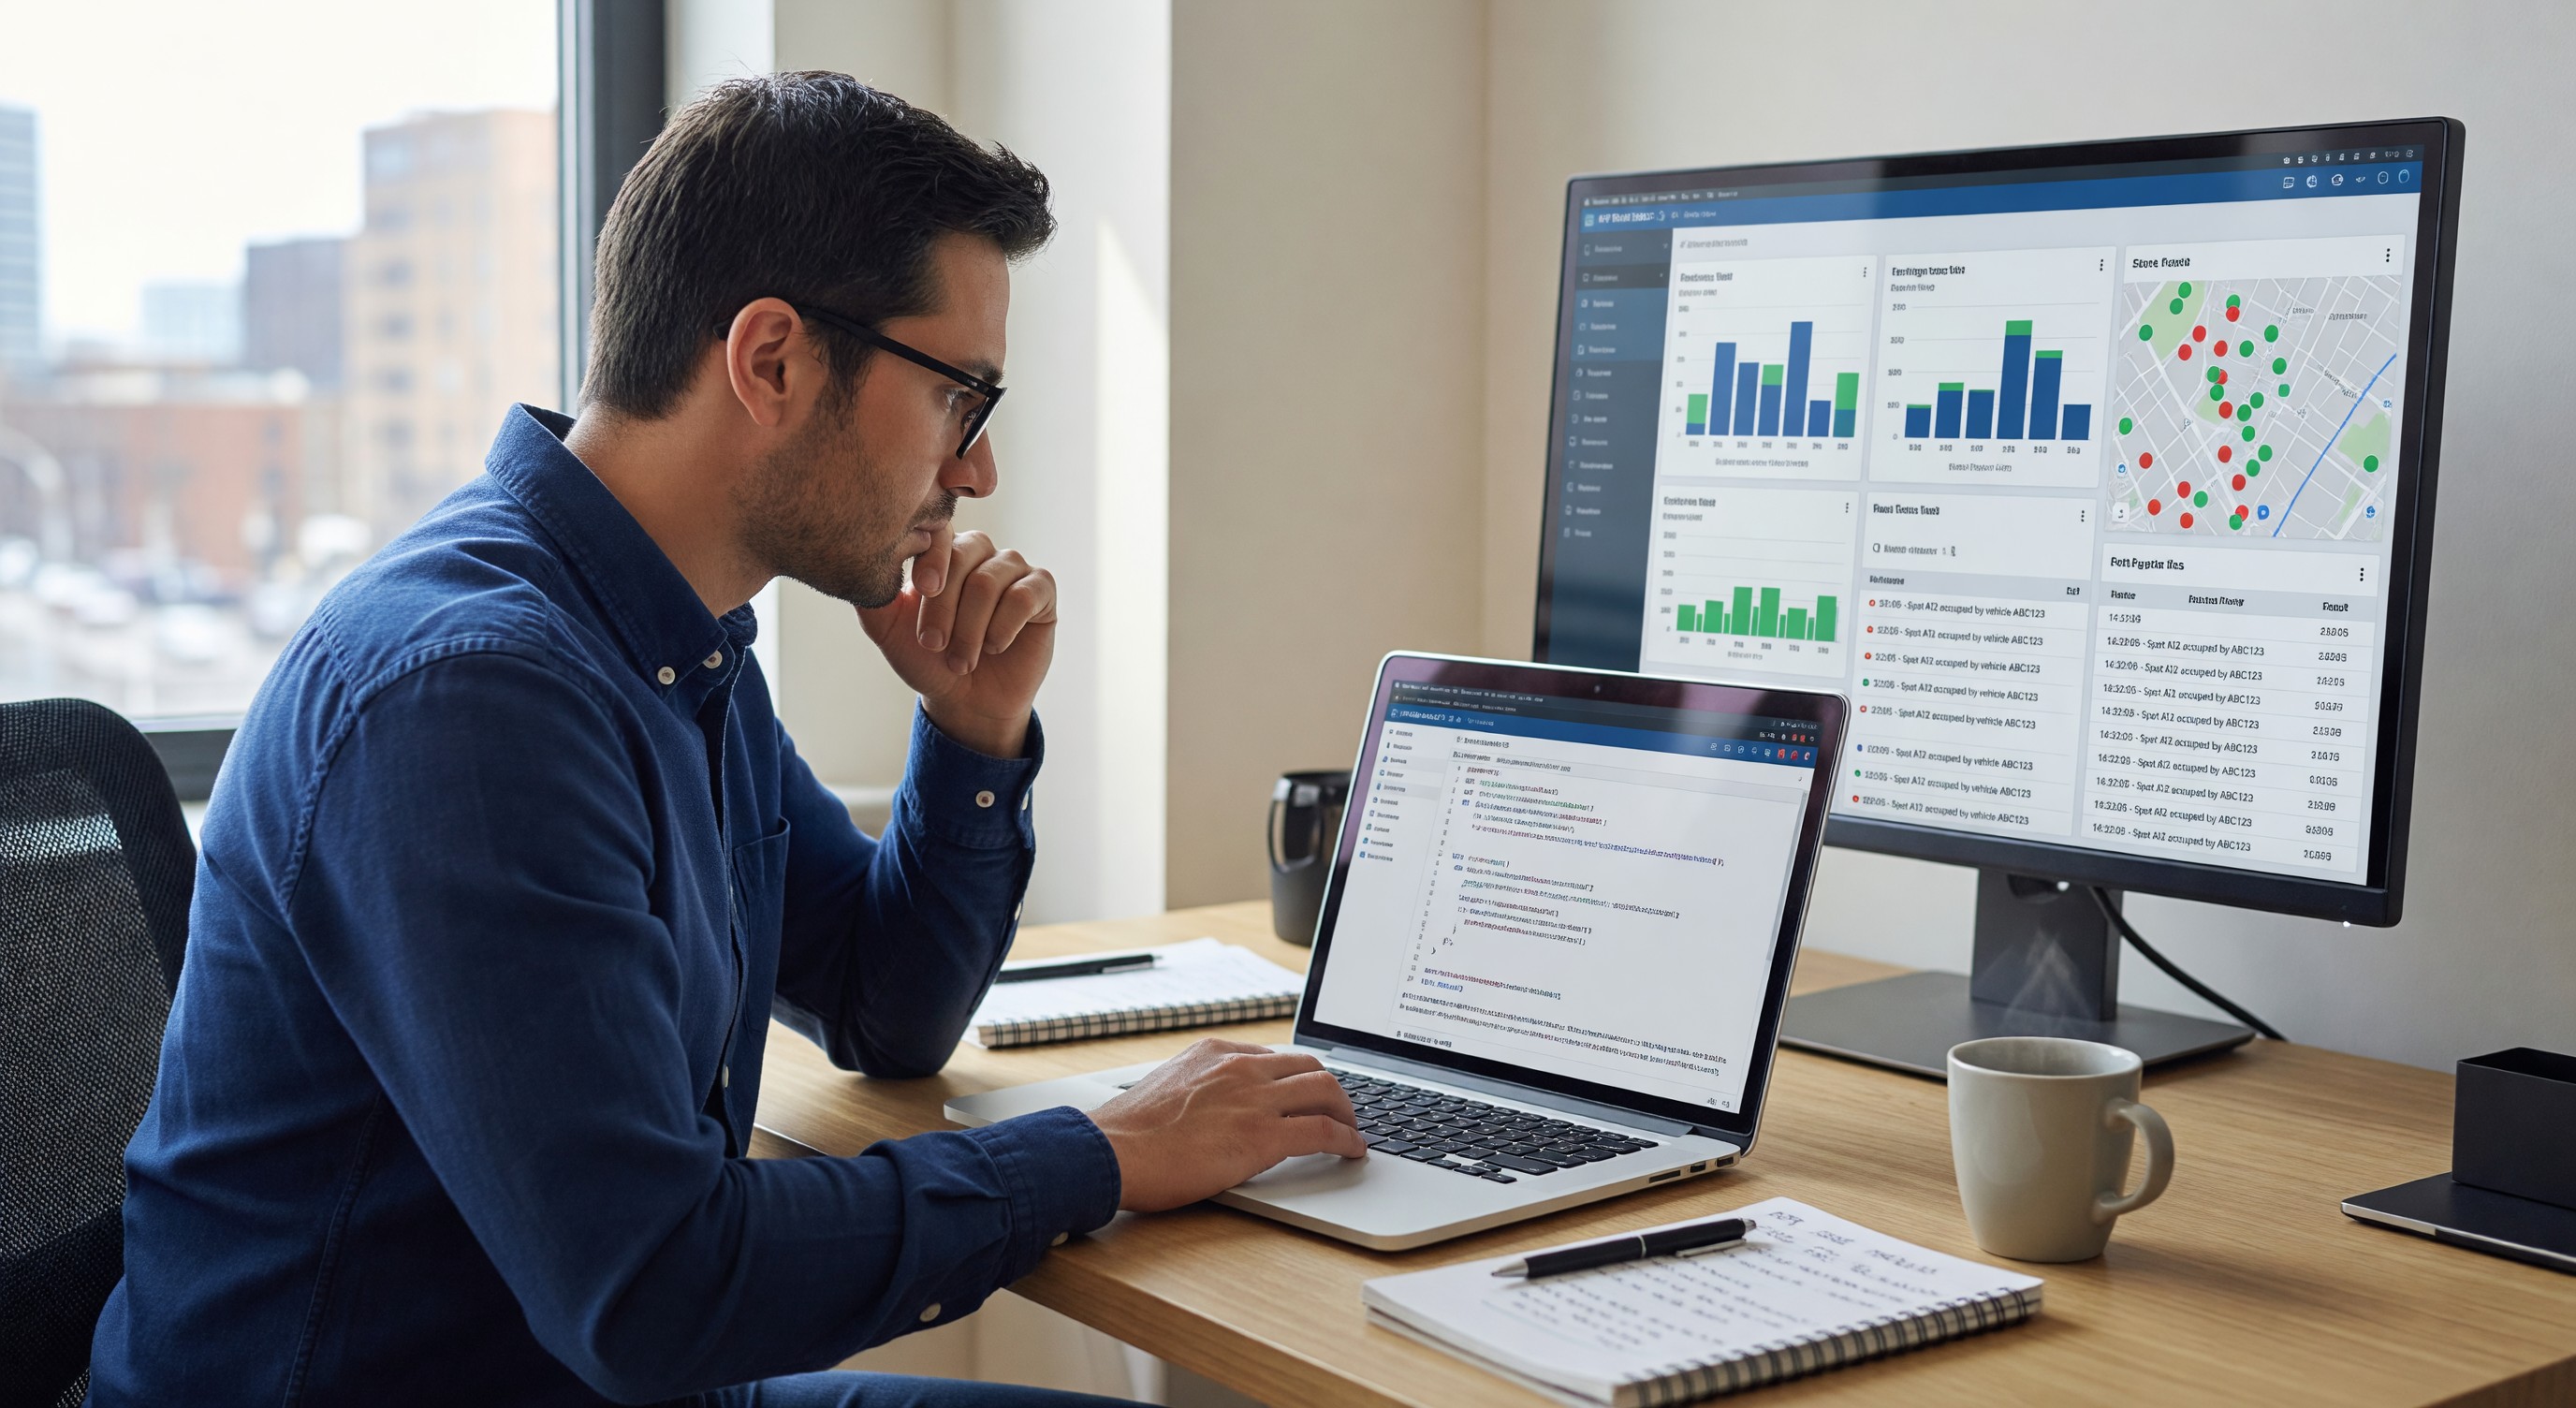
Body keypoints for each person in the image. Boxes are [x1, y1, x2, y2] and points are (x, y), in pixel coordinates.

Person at [87, 73, 1365, 1408]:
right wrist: (1096, 1152)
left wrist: (971, 737)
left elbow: (884, 1007)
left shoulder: (671, 644)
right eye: (959, 399)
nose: (977, 470)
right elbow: (656, 1293)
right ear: (771, 361)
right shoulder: (472, 700)